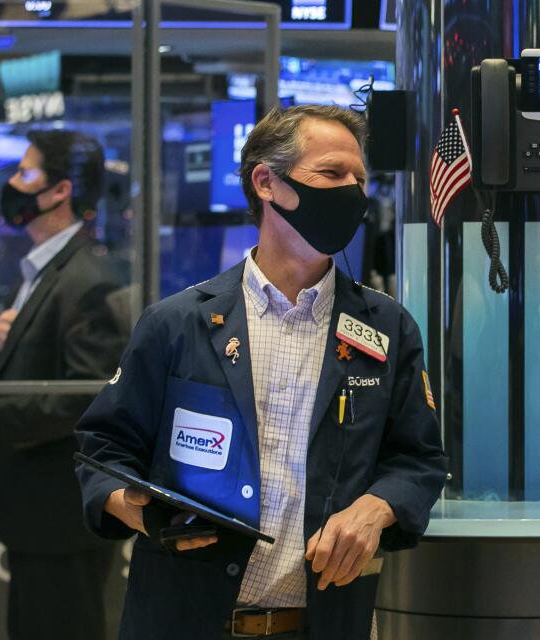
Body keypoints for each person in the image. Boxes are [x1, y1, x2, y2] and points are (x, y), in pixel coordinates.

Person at [76, 105, 448, 639]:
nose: (353, 192)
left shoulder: (386, 327)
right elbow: (102, 452)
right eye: (332, 174)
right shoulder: (176, 323)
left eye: (360, 179)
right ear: (267, 182)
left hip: (323, 623)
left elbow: (418, 460)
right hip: (186, 622)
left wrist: (377, 507)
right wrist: (140, 511)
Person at [0, 129, 128, 640]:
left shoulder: (87, 277)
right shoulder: (42, 270)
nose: (15, 183)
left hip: (59, 519)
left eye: (27, 172)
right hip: (31, 518)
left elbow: (88, 395)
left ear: (60, 191)